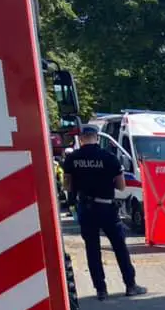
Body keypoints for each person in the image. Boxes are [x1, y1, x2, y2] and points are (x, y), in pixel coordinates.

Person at [63, 124, 147, 300]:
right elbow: (121, 186)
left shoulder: (72, 159)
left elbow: (67, 186)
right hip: (107, 208)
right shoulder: (109, 158)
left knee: (92, 249)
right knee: (119, 247)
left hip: (86, 208)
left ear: (81, 138)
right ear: (96, 137)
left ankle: (101, 290)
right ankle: (130, 285)